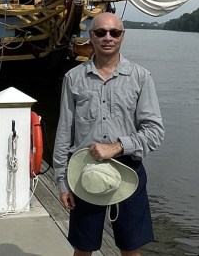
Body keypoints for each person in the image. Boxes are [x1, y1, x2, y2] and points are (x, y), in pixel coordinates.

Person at [53, 13, 164, 256]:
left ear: (123, 36)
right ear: (90, 37)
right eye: (100, 32)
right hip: (85, 171)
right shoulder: (73, 78)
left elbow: (155, 132)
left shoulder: (140, 78)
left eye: (114, 32)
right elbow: (64, 133)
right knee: (83, 248)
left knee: (130, 248)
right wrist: (62, 182)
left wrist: (117, 147)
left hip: (127, 172)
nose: (107, 38)